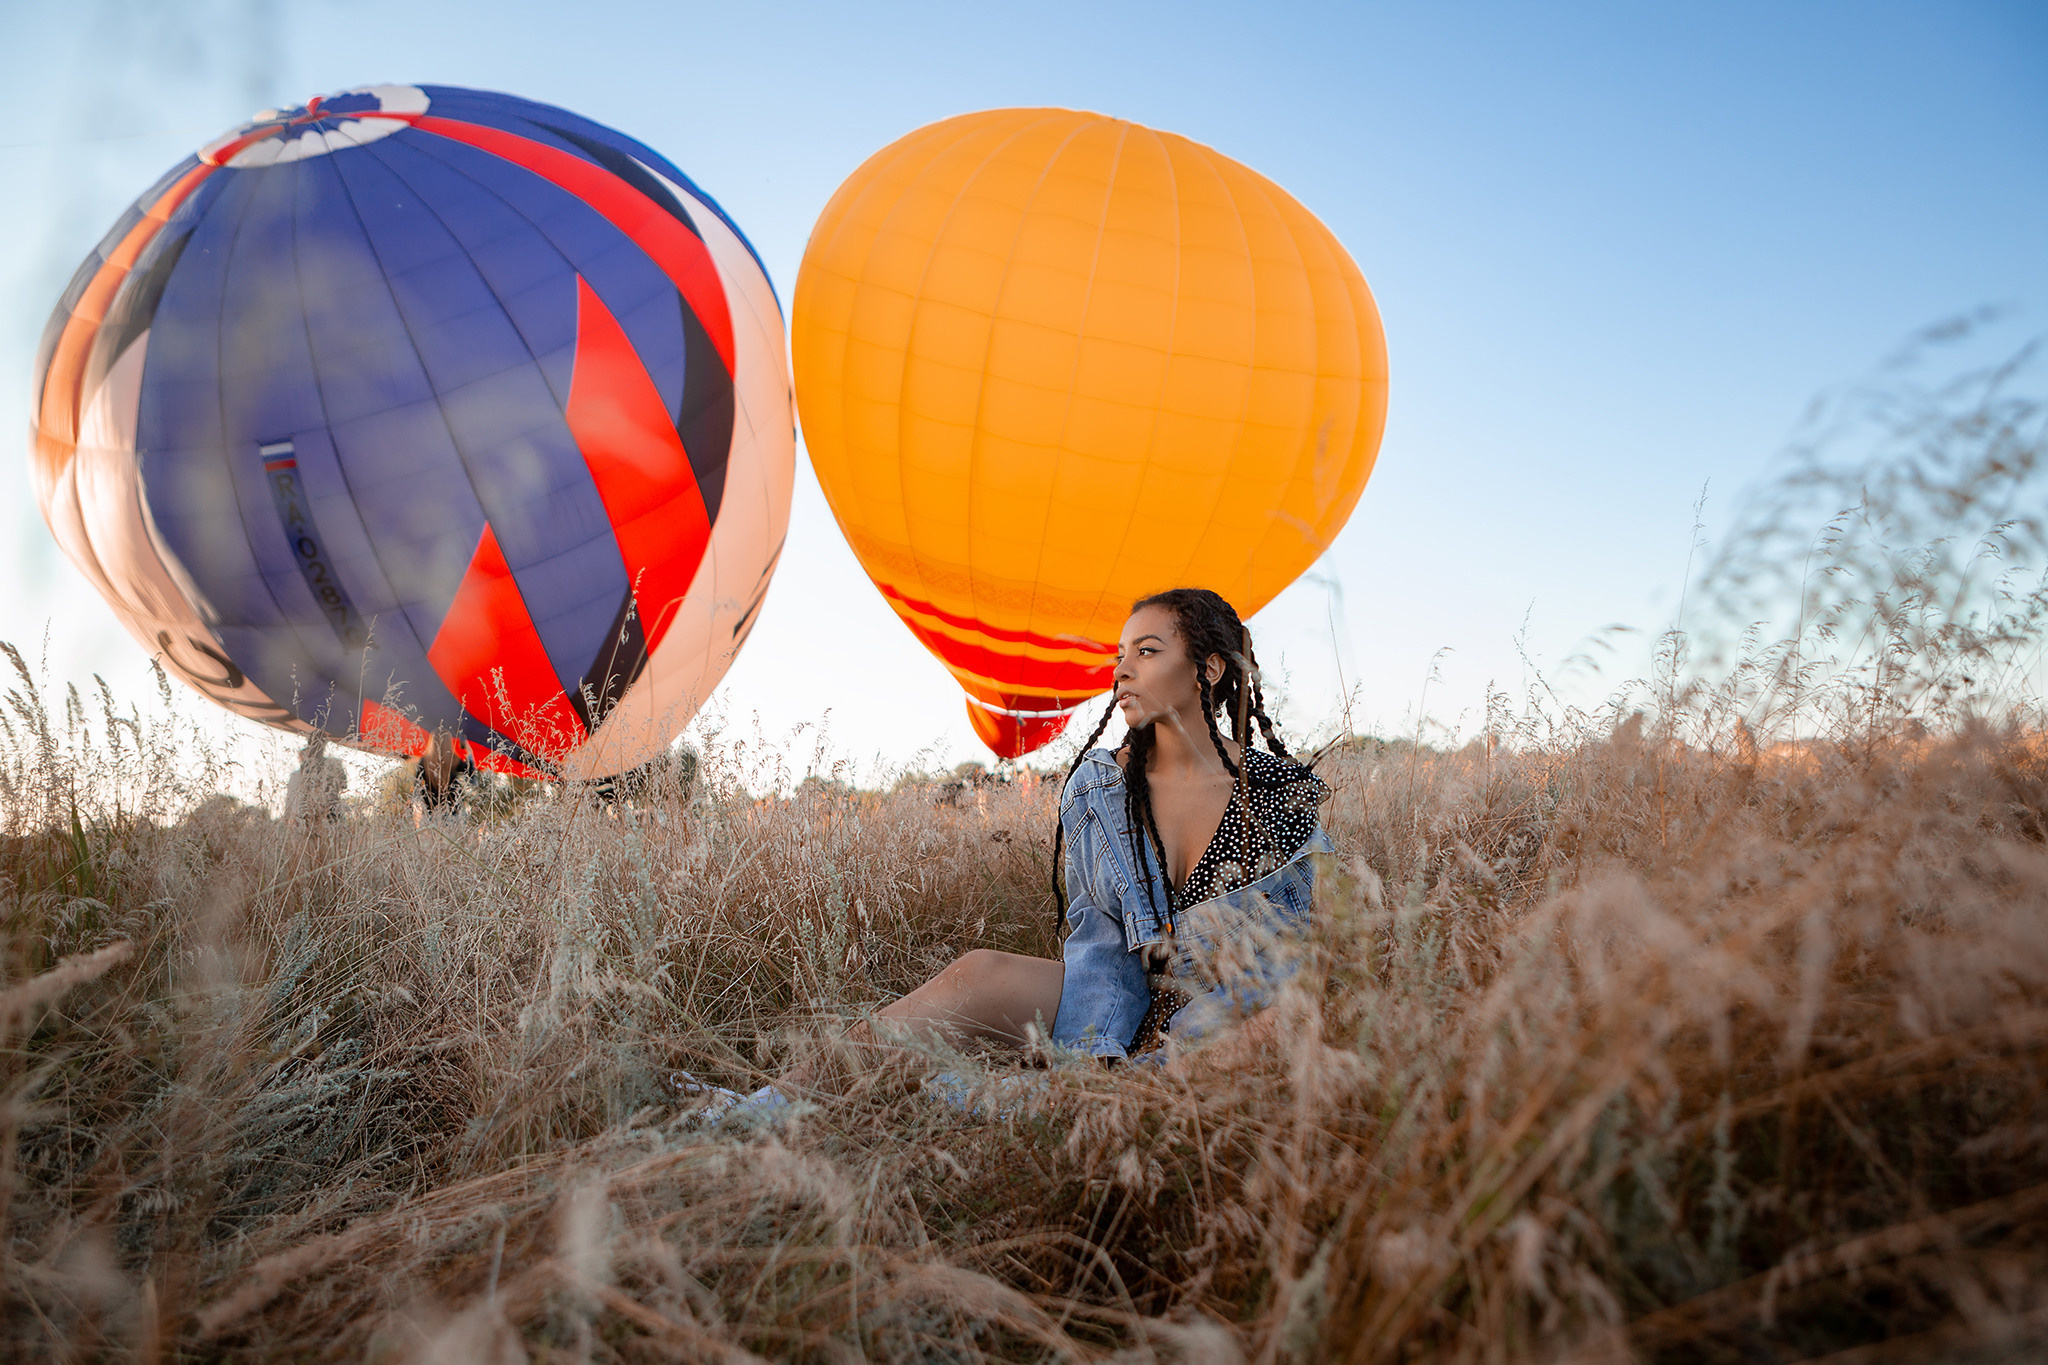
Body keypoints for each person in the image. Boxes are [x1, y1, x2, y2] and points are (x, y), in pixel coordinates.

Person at [689, 589, 1331, 1122]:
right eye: (1119, 653)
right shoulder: (1101, 785)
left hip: (1226, 1020)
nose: (1122, 670)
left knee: (1285, 1022)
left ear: (1208, 671)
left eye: (1147, 651)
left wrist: (1181, 1052)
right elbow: (1100, 941)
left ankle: (1105, 1103)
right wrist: (1093, 1050)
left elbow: (1284, 969)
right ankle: (758, 1114)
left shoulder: (1278, 796)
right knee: (975, 974)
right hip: (1122, 999)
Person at [281, 732, 348, 829]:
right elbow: (344, 785)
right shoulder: (333, 764)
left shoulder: (306, 767)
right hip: (321, 813)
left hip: (319, 813)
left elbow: (343, 785)